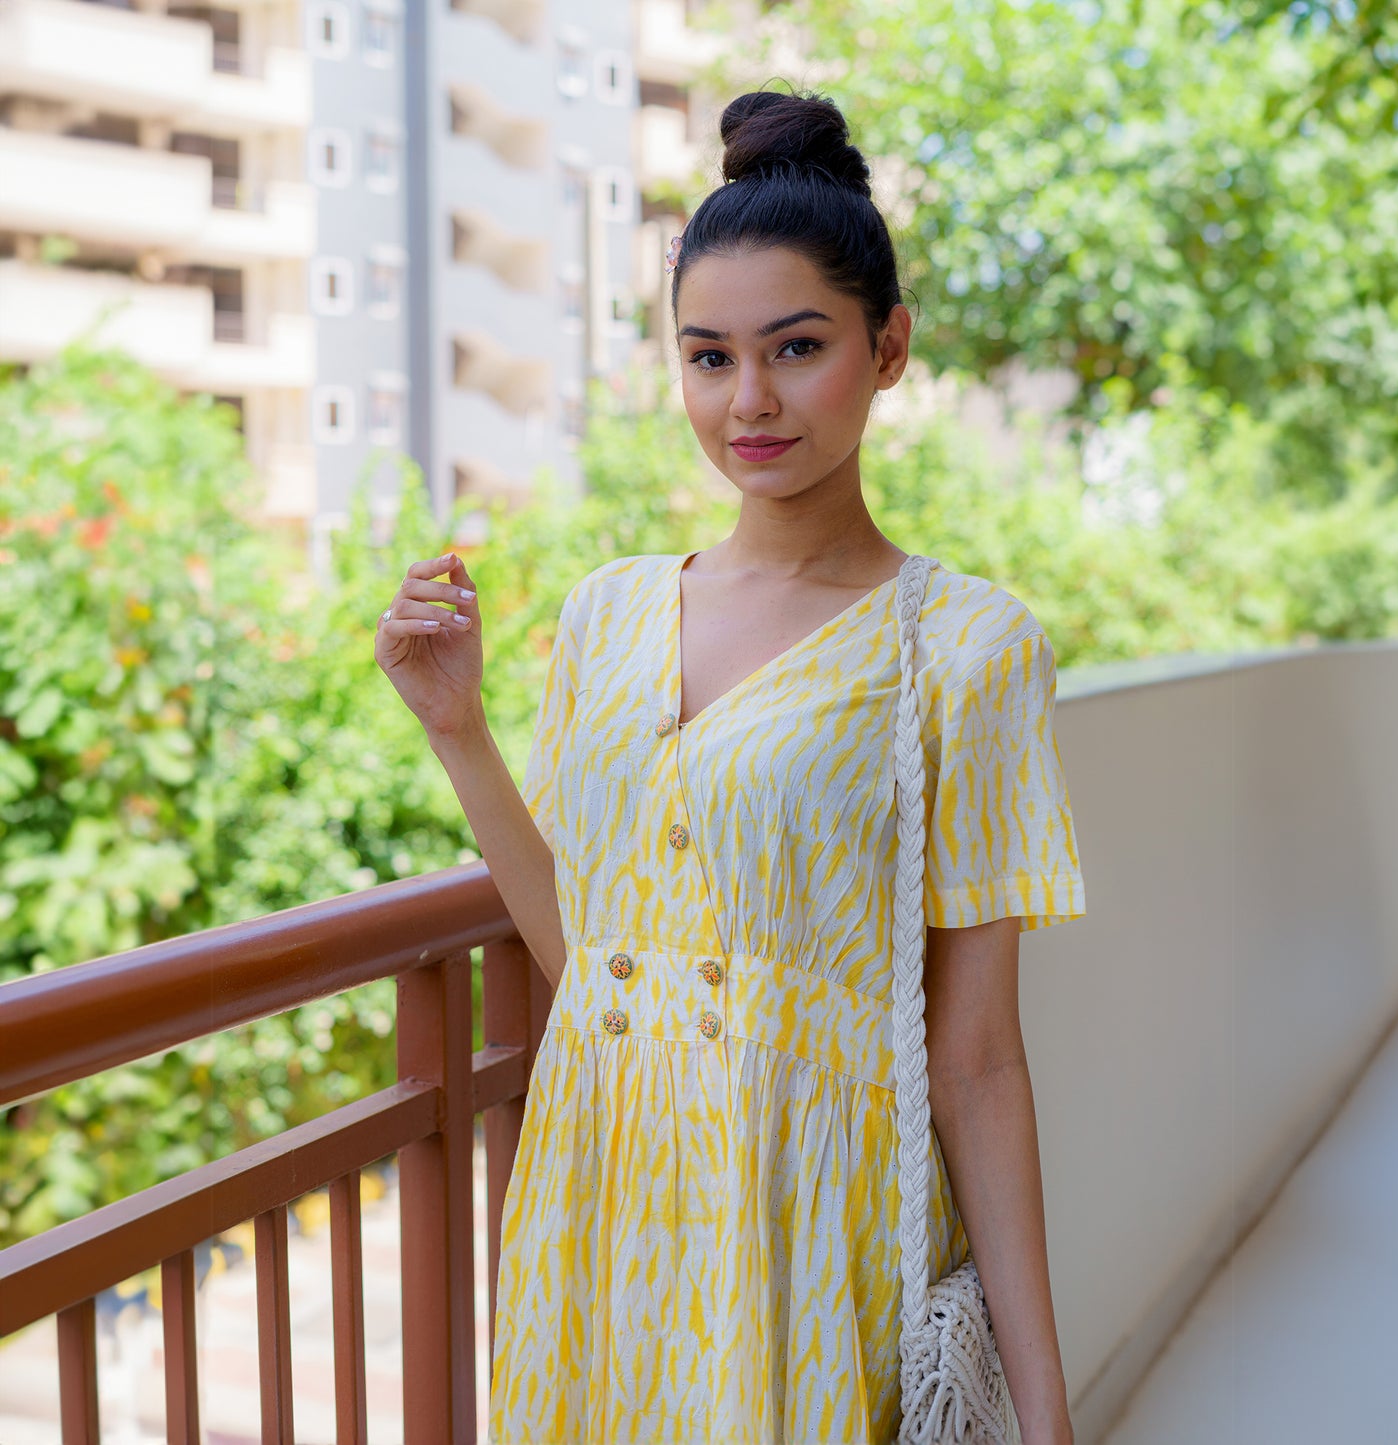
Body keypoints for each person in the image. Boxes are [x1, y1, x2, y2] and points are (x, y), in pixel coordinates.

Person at [375, 87, 1086, 1445]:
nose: (746, 400)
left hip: (805, 1229)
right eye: (707, 356)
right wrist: (455, 730)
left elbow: (978, 1055)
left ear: (886, 350)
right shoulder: (608, 610)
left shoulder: (966, 645)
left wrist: (1043, 1411)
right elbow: (592, 956)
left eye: (794, 348)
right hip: (600, 1206)